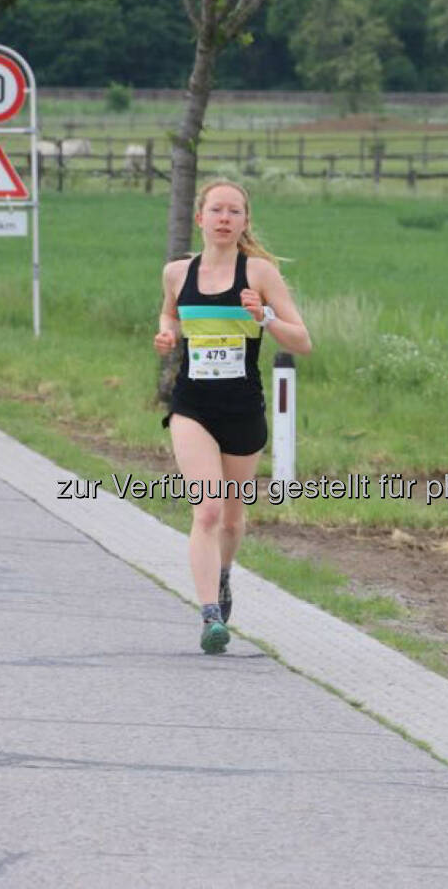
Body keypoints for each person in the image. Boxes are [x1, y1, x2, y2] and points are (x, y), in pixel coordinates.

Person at [154, 179, 311, 654]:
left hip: (243, 408)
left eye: (234, 212)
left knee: (233, 521)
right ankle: (209, 616)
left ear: (244, 222)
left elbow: (302, 341)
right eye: (216, 210)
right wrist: (167, 335)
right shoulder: (177, 273)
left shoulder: (259, 272)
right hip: (192, 406)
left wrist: (263, 316)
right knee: (208, 510)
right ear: (200, 217)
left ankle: (223, 577)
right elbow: (169, 316)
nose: (224, 218)